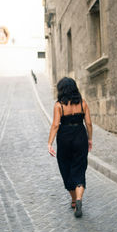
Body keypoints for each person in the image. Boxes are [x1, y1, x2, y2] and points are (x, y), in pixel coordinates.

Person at [48, 77, 92, 217]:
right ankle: (78, 199)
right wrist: (90, 139)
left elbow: (55, 125)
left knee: (65, 167)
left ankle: (73, 199)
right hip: (80, 135)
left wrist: (49, 143)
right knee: (79, 167)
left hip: (65, 138)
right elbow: (89, 124)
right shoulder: (83, 103)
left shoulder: (58, 105)